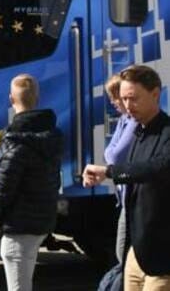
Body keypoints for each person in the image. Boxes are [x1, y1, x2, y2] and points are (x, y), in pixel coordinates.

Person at [84, 64, 170, 289]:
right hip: (136, 252)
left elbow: (157, 168)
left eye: (133, 99)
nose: (127, 107)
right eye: (123, 99)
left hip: (162, 257)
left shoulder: (167, 132)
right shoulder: (139, 132)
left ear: (155, 94)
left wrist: (109, 172)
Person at [0, 74, 61, 291]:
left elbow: (3, 187)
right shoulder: (51, 136)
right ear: (37, 97)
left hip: (18, 224)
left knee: (18, 286)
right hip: (41, 220)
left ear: (11, 98)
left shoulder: (15, 141)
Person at [104, 72, 139, 265]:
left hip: (131, 197)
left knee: (123, 254)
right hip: (124, 197)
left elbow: (115, 156)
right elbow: (109, 153)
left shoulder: (133, 122)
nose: (113, 102)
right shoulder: (123, 121)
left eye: (116, 97)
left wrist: (111, 157)